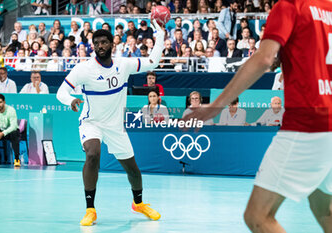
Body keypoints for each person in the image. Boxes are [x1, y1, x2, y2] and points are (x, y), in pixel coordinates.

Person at [183, 0, 332, 232]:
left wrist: (216, 106)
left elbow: (263, 59)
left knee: (258, 216)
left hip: (307, 123)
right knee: (324, 208)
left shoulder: (290, 5)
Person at [56, 20, 164, 226]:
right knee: (93, 153)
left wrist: (159, 34)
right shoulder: (84, 69)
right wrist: (71, 100)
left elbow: (153, 61)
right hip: (91, 122)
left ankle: (138, 203)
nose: (100, 46)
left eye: (104, 42)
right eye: (96, 43)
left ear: (111, 45)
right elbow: (62, 91)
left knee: (133, 170)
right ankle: (90, 209)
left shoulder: (123, 65)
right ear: (93, 46)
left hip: (116, 127)